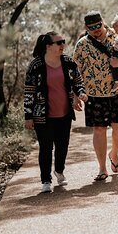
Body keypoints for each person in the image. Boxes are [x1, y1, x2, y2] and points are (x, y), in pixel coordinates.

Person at [73, 11, 118, 181]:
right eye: (91, 28)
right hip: (94, 94)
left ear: (102, 22)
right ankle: (102, 168)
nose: (96, 30)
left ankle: (114, 153)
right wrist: (75, 95)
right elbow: (74, 72)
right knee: (99, 129)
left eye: (98, 25)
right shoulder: (82, 45)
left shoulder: (117, 36)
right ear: (87, 28)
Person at [24, 32, 87, 193]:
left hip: (64, 114)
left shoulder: (68, 62)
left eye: (63, 42)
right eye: (59, 43)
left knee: (62, 147)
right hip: (42, 115)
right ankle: (46, 180)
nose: (62, 45)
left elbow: (78, 82)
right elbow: (29, 92)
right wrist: (28, 116)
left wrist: (80, 93)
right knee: (46, 148)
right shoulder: (36, 66)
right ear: (48, 46)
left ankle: (59, 171)